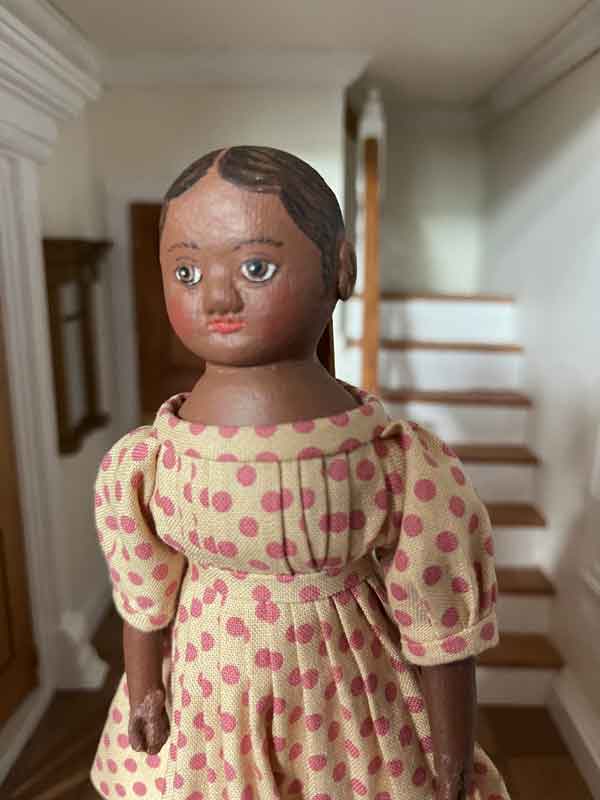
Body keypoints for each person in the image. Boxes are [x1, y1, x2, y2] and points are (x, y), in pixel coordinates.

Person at [90, 146, 510, 800]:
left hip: (347, 705)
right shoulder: (148, 462)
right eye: (187, 272)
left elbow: (435, 604)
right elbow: (146, 583)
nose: (217, 295)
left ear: (340, 268)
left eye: (256, 267)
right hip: (209, 698)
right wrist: (146, 686)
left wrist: (451, 746)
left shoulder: (397, 461)